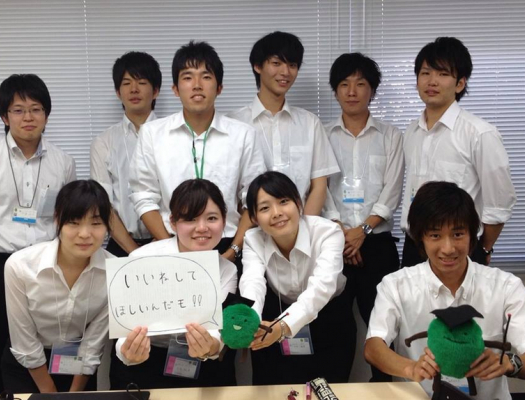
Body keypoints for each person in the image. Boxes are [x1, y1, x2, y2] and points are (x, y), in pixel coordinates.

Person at [364, 181, 525, 399]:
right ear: (421, 237)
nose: (448, 249)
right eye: (435, 235)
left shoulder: (506, 286)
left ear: (471, 235)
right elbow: (373, 347)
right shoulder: (396, 285)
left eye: (458, 234)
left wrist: (510, 363)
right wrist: (410, 368)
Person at [0, 74, 76, 394]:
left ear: (46, 114)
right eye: (18, 110)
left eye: (36, 109)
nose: (28, 117)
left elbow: (67, 219)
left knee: (48, 350)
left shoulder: (63, 162)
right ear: (4, 116)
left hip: (44, 267)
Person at [129, 41, 265, 269]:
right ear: (175, 88)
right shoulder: (152, 134)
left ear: (219, 87)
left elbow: (254, 199)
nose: (197, 85)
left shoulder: (243, 135)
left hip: (227, 245)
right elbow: (143, 196)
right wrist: (172, 247)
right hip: (171, 244)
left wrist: (232, 252)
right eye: (188, 77)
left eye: (206, 76)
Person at [110, 179, 238, 389]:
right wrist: (128, 351)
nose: (202, 228)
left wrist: (212, 346)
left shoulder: (227, 270)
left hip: (201, 363)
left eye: (212, 218)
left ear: (224, 221)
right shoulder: (141, 259)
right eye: (190, 219)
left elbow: (218, 331)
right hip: (145, 360)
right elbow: (125, 329)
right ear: (173, 222)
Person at [400, 37, 516, 267]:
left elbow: (500, 202)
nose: (432, 81)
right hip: (414, 246)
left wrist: (483, 249)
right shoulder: (412, 131)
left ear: (460, 83)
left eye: (443, 74)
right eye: (425, 73)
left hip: (458, 248)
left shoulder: (479, 133)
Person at [324, 52, 404, 382]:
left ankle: (384, 389)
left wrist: (363, 231)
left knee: (382, 325)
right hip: (334, 243)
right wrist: (342, 233)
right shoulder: (323, 135)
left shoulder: (391, 136)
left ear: (372, 89)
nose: (352, 91)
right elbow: (320, 187)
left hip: (378, 244)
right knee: (334, 326)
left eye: (360, 84)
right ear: (335, 90)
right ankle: (334, 389)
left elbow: (392, 190)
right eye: (344, 84)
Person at [239, 171, 356, 385]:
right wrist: (251, 321)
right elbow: (252, 282)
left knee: (330, 390)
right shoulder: (252, 239)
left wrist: (283, 327)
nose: (277, 213)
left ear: (299, 204)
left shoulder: (328, 232)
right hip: (275, 316)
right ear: (254, 218)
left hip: (329, 316)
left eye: (283, 202)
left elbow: (321, 288)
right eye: (265, 208)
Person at [1, 180, 113, 393]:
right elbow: (24, 341)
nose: (85, 233)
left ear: (107, 225)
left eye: (96, 223)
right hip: (27, 367)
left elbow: (93, 343)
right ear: (57, 219)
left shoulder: (114, 273)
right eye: (74, 222)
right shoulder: (20, 266)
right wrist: (51, 395)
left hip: (79, 367)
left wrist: (72, 394)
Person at [227, 31, 339, 215]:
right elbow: (229, 187)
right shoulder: (234, 123)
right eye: (276, 63)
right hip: (250, 227)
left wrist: (302, 228)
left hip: (301, 225)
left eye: (292, 65)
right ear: (257, 66)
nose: (285, 72)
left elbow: (319, 187)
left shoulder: (310, 123)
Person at [91, 51, 162, 256]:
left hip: (168, 240)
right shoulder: (103, 142)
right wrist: (133, 251)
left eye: (142, 82)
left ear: (155, 91)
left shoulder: (171, 135)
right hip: (121, 246)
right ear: (117, 92)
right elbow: (104, 204)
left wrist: (163, 240)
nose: (134, 89)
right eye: (126, 83)